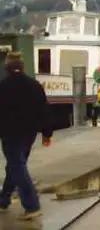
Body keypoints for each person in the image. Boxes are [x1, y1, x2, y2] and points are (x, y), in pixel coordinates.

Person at [0, 52, 53, 221]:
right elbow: (44, 111)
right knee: (15, 166)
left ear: (6, 67)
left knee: (17, 167)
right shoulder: (34, 85)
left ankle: (32, 206)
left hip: (10, 133)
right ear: (22, 67)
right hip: (29, 133)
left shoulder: (3, 86)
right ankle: (3, 200)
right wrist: (47, 133)